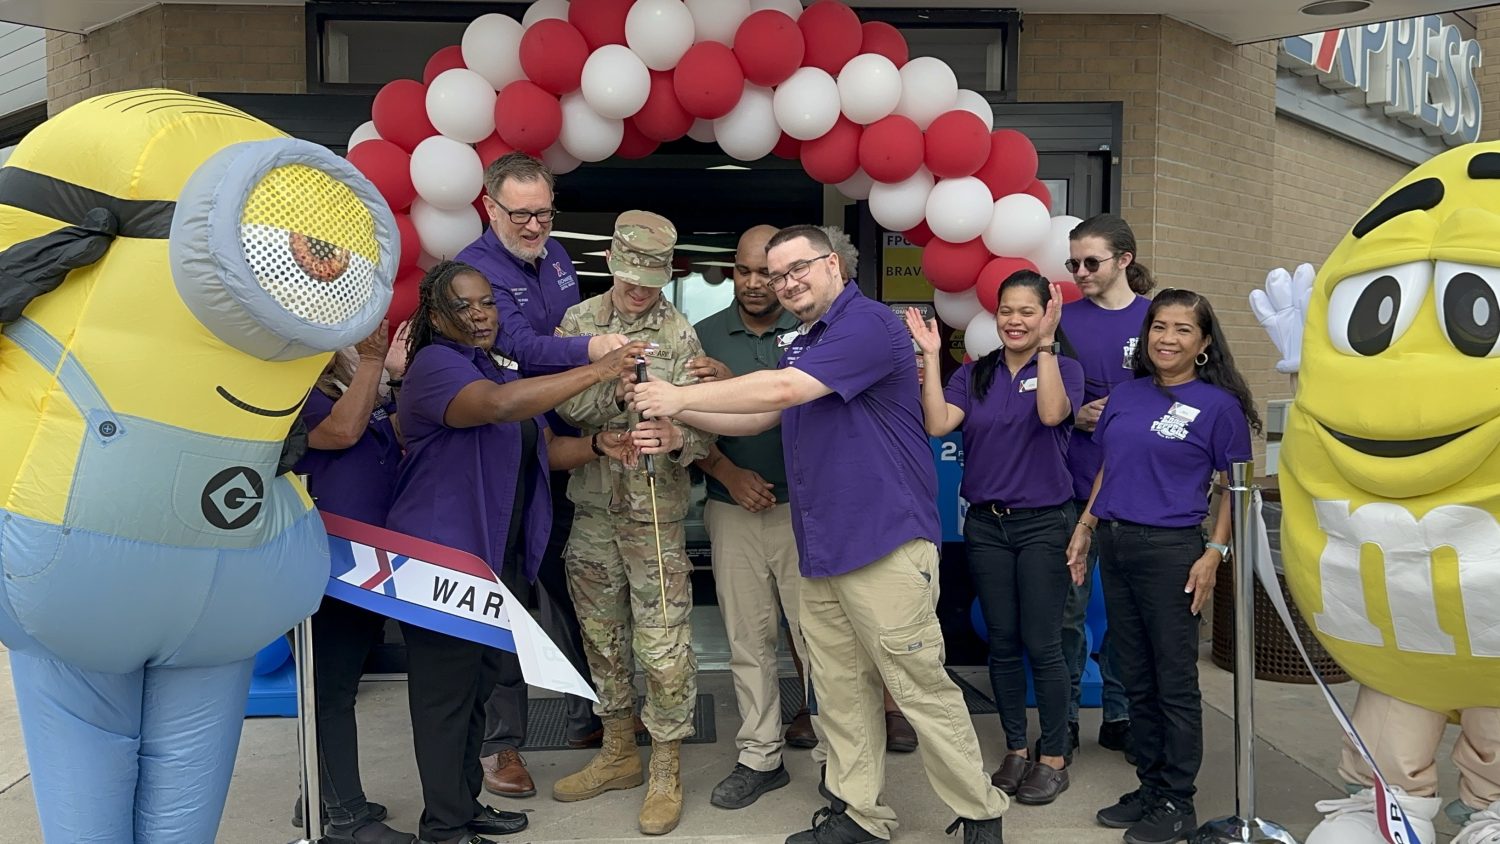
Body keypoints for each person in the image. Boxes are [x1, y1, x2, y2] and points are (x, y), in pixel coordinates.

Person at [631, 225, 1007, 844]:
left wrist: (674, 396)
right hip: (824, 544)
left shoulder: (866, 326)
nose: (785, 283)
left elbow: (784, 390)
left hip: (883, 541)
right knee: (839, 691)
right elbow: (765, 412)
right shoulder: (804, 339)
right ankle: (859, 815)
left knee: (919, 686)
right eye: (777, 276)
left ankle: (980, 813)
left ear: (833, 264)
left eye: (796, 268)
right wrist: (677, 413)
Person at [385, 260, 646, 844]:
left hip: (493, 558)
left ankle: (463, 805)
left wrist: (602, 444)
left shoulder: (489, 365)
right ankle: (445, 827)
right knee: (444, 698)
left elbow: (543, 448)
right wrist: (598, 368)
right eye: (465, 306)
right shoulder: (435, 367)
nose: (480, 315)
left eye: (488, 304)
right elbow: (499, 409)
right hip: (443, 559)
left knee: (479, 689)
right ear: (435, 314)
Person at [456, 152, 630, 795]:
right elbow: (524, 347)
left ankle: (600, 718)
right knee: (507, 593)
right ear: (489, 208)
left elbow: (568, 323)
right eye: (521, 213)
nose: (534, 226)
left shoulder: (556, 258)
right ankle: (501, 748)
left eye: (544, 212)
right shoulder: (475, 270)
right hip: (506, 448)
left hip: (567, 444)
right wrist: (596, 352)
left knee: (579, 581)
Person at [1066, 288, 1259, 844]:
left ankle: (1178, 800)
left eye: (1181, 329)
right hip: (1119, 546)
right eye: (1159, 327)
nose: (1167, 338)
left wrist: (1213, 555)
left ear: (1202, 343)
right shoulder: (1126, 396)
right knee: (1136, 674)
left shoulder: (1218, 406)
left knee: (1173, 681)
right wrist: (1086, 527)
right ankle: (1151, 787)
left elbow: (1234, 490)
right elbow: (1109, 468)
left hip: (1173, 550)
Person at [551, 210, 714, 837]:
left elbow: (705, 427)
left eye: (650, 280)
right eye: (628, 277)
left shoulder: (681, 334)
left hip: (654, 513)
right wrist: (613, 393)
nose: (638, 290)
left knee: (664, 642)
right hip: (593, 507)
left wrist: (677, 434)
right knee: (601, 635)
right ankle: (619, 751)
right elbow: (562, 403)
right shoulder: (580, 324)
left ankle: (666, 765)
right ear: (612, 266)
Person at [906, 270, 1085, 808]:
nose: (1014, 320)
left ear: (1045, 316)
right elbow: (938, 424)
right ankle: (1014, 748)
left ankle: (1053, 756)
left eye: (1027, 311)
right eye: (1007, 310)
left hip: (1042, 523)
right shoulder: (975, 373)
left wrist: (1048, 345)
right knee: (1002, 643)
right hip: (986, 524)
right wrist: (932, 357)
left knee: (1043, 642)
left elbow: (1053, 414)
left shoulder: (1065, 369)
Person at [688, 225, 810, 809]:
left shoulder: (814, 331)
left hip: (808, 512)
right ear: (731, 272)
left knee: (819, 642)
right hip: (731, 509)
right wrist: (727, 474)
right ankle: (760, 756)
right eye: (745, 271)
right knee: (748, 640)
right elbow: (686, 423)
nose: (758, 283)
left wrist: (739, 386)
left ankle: (842, 759)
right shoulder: (703, 336)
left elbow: (821, 414)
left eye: (770, 272)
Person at [293, 324, 413, 844]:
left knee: (339, 683)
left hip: (367, 560)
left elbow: (397, 434)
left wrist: (396, 376)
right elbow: (341, 433)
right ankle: (345, 817)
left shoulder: (345, 380)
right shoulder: (293, 390)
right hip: (329, 562)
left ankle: (322, 792)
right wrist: (370, 361)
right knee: (331, 689)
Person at [1059, 213, 1154, 762]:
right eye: (1073, 263)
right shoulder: (1063, 319)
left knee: (1127, 611)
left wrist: (1119, 411)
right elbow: (1038, 393)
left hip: (1138, 486)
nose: (1080, 272)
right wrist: (1075, 412)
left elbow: (1184, 390)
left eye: (1091, 262)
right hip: (1073, 484)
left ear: (1125, 260)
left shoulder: (1159, 318)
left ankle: (1119, 713)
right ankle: (1065, 715)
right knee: (1067, 610)